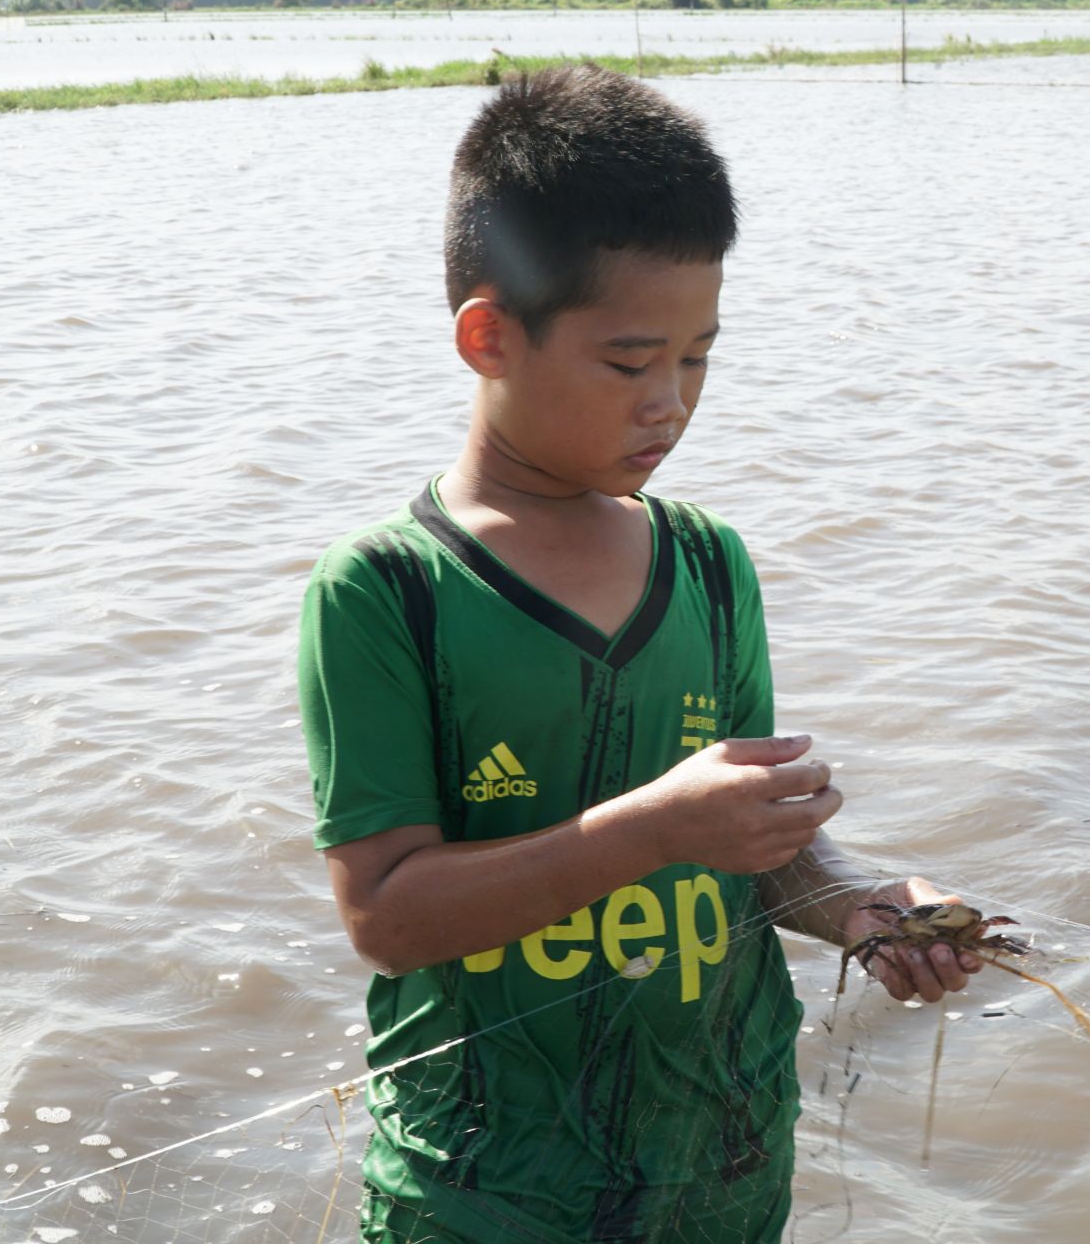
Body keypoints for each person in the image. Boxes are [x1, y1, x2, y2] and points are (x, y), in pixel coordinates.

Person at [296, 65, 979, 1244]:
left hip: (724, 1162)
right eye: (628, 362)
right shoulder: (389, 591)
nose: (671, 401)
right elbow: (388, 914)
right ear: (489, 335)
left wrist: (865, 904)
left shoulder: (711, 565)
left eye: (699, 356)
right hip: (486, 1195)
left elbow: (758, 843)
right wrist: (654, 828)